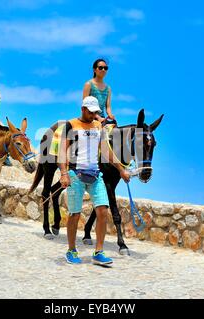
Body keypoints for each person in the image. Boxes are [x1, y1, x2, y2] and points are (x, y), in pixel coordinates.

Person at [58, 96, 130, 266]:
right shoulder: (71, 125)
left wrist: (121, 169)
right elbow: (62, 151)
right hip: (75, 174)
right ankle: (71, 250)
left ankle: (98, 252)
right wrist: (63, 173)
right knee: (74, 214)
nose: (93, 115)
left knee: (103, 211)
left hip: (95, 175)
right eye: (91, 112)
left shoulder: (99, 126)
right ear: (83, 109)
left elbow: (106, 151)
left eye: (95, 112)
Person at [83, 59, 115, 124]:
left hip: (102, 119)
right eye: (100, 68)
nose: (103, 70)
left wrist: (110, 115)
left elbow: (108, 107)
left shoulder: (108, 88)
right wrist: (97, 117)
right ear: (94, 70)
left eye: (105, 68)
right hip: (89, 118)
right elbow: (85, 105)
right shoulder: (88, 84)